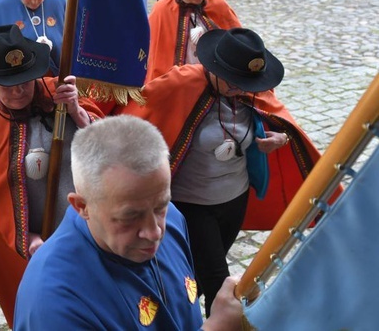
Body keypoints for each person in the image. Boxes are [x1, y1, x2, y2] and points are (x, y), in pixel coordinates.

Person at [116, 27, 321, 316]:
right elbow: (134, 111)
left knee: (201, 274)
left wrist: (280, 138)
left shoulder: (249, 87)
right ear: (215, 69)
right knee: (218, 281)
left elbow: (275, 116)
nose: (240, 89)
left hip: (235, 199)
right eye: (233, 83)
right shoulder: (180, 82)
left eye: (245, 84)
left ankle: (181, 310)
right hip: (192, 205)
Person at [14, 115, 243, 330]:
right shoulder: (53, 302)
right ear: (82, 207)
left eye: (160, 206)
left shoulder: (172, 218)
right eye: (130, 217)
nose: (155, 232)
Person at [0, 24, 103, 326]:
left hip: (88, 234)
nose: (17, 92)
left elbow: (107, 150)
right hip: (34, 250)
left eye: (24, 81)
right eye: (5, 85)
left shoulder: (61, 96)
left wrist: (77, 112)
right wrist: (24, 237)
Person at [145, 0, 241, 82]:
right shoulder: (162, 10)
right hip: (176, 88)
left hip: (218, 86)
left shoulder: (220, 6)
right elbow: (156, 64)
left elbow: (239, 50)